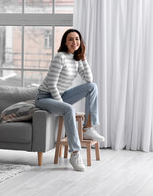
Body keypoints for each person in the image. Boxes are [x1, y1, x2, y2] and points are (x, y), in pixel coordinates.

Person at [35, 28, 105, 172]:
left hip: (61, 94)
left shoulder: (76, 59)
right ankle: (75, 153)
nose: (75, 42)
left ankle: (87, 127)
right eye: (71, 39)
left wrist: (83, 58)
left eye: (77, 39)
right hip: (44, 97)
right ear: (65, 43)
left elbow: (88, 79)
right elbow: (51, 85)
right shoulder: (60, 57)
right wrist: (62, 104)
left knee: (92, 86)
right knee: (69, 109)